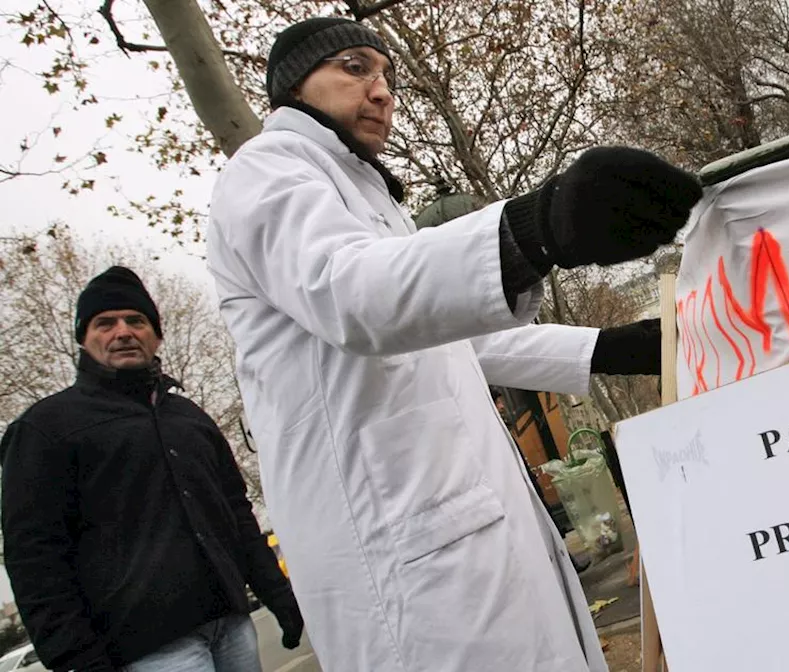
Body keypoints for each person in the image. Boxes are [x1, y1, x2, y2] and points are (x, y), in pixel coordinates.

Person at [206, 16, 691, 672]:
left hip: (469, 540)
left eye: (387, 76)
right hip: (406, 566)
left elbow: (452, 341)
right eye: (354, 67)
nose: (381, 90)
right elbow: (354, 293)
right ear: (294, 87)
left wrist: (608, 348)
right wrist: (536, 229)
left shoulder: (371, 200)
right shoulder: (266, 172)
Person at [0, 266, 304, 672]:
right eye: (105, 323)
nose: (122, 331)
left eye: (136, 321)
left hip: (230, 626)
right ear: (84, 339)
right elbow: (35, 559)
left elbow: (236, 517)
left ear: (156, 335)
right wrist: (77, 660)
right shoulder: (45, 429)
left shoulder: (190, 419)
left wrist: (278, 596)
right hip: (146, 650)